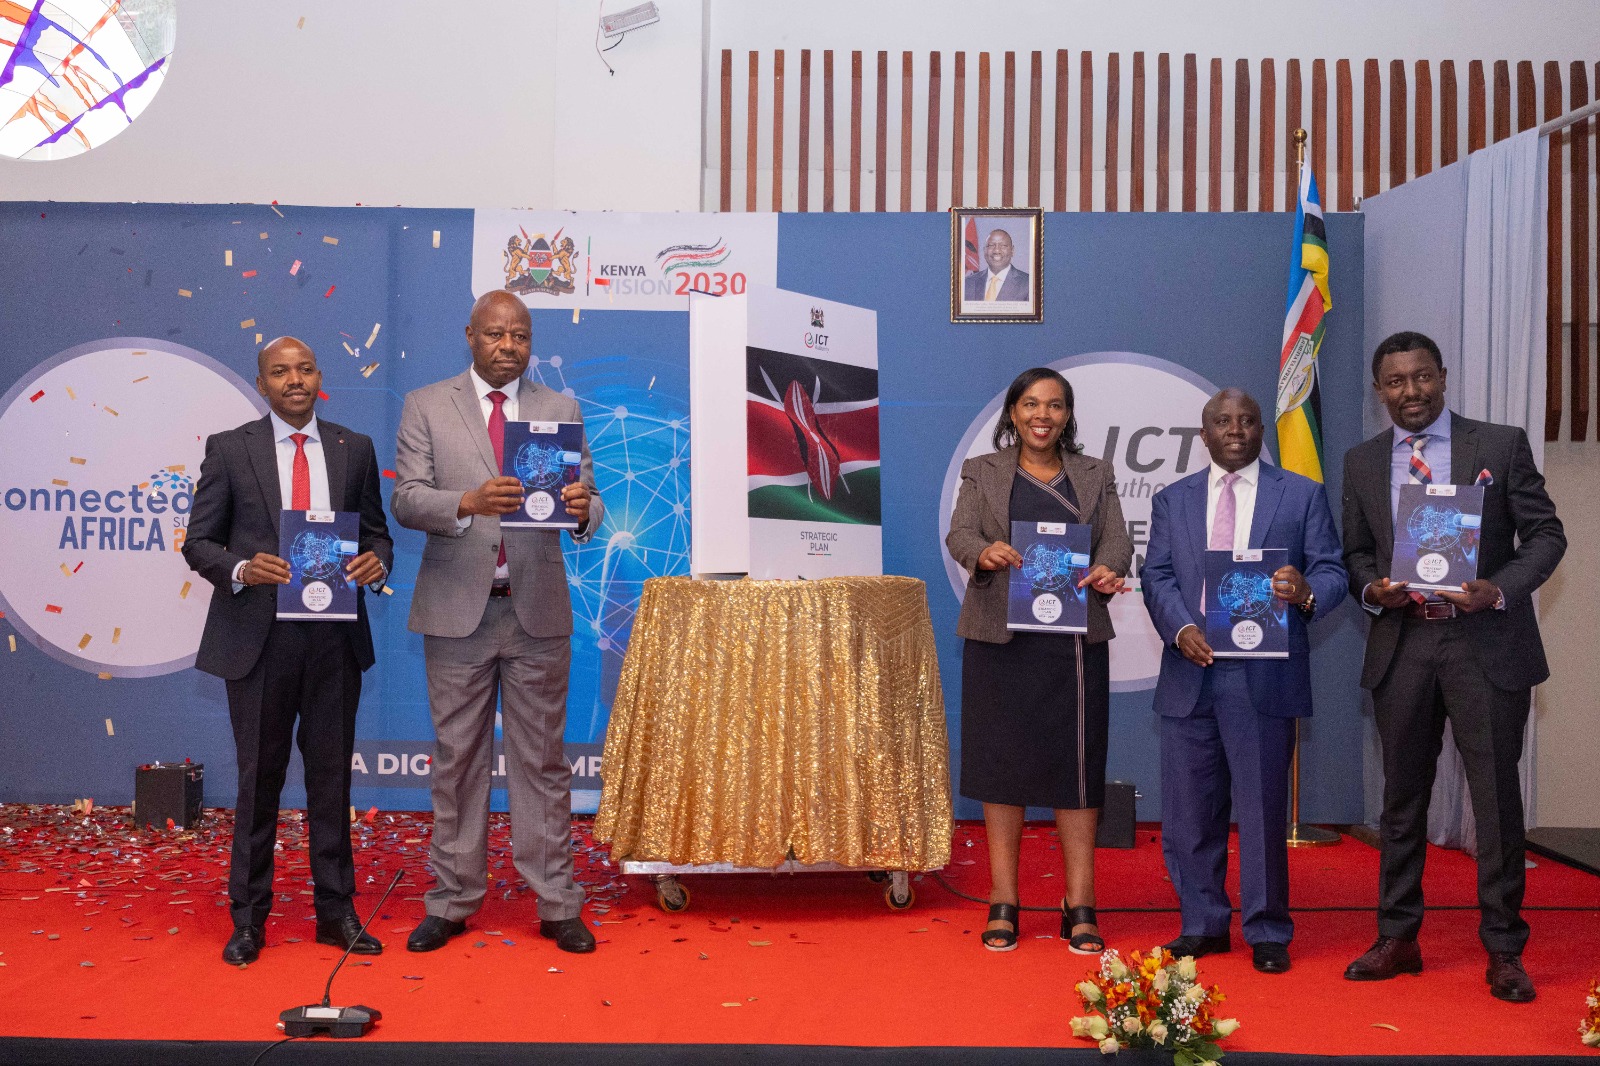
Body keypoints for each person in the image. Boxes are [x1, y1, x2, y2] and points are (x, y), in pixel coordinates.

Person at [1341, 331, 1565, 1003]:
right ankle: (1398, 937)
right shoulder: (1360, 462)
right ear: (1380, 390)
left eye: (1422, 378)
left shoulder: (1498, 445)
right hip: (1403, 643)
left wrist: (1499, 588)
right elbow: (1354, 554)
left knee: (1495, 800)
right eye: (1395, 382)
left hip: (1484, 645)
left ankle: (1503, 948)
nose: (1411, 392)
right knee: (1400, 802)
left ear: (1443, 377)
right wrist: (1372, 587)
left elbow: (1547, 534)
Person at [392, 289, 603, 956]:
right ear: (471, 336)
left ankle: (556, 902)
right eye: (495, 333)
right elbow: (405, 497)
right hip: (459, 611)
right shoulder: (427, 404)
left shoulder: (559, 409)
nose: (508, 345)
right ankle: (451, 900)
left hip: (536, 612)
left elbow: (593, 505)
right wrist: (468, 501)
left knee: (542, 763)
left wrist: (577, 510)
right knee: (458, 762)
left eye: (520, 334)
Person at [184, 337, 393, 965]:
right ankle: (248, 920)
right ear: (262, 382)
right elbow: (199, 543)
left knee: (331, 782)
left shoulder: (353, 448)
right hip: (259, 642)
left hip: (334, 642)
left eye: (304, 369)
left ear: (319, 377)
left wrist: (374, 562)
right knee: (258, 780)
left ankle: (337, 913)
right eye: (281, 372)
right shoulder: (229, 448)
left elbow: (377, 533)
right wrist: (245, 567)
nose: (294, 380)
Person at [1141, 388, 1347, 974]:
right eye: (1222, 421)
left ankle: (1266, 930)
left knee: (1260, 810)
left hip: (1264, 677)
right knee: (1187, 814)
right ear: (1202, 435)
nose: (1235, 429)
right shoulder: (1171, 500)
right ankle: (1203, 926)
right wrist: (1180, 628)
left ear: (1263, 430)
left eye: (1247, 420)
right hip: (1191, 670)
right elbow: (1155, 573)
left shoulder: (1300, 494)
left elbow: (1332, 568)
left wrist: (1306, 590)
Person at [945, 367, 1131, 952]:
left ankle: (1080, 901)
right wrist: (985, 551)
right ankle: (1005, 898)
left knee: (1076, 775)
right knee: (1002, 770)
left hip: (1071, 643)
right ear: (1012, 413)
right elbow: (959, 535)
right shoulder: (983, 470)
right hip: (1001, 639)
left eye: (1054, 406)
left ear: (1068, 416)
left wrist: (1108, 568)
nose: (1042, 416)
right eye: (1031, 405)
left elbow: (1118, 540)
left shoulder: (1094, 474)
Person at [963, 228, 1031, 302]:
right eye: (991, 245)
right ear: (984, 250)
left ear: (1012, 251)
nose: (997, 250)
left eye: (1003, 246)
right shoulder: (967, 283)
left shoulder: (1029, 283)